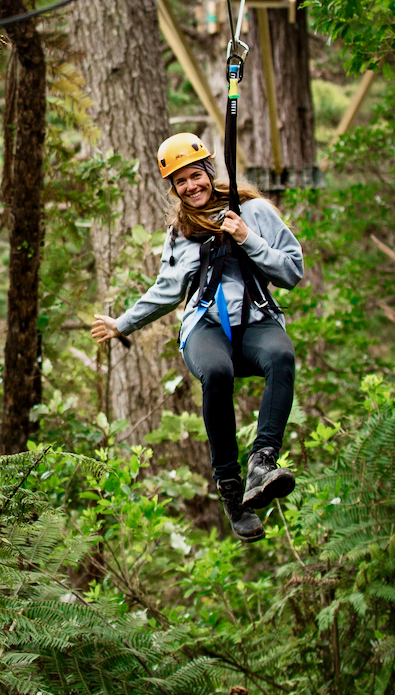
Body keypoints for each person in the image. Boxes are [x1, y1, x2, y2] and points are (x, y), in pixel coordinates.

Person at [89, 133, 303, 542]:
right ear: (174, 189)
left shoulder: (254, 211)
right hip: (205, 326)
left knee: (281, 356)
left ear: (208, 171)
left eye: (195, 176)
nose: (191, 187)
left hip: (256, 318)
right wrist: (123, 324)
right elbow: (167, 291)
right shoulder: (180, 232)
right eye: (180, 183)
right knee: (218, 373)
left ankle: (263, 461)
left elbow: (292, 272)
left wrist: (246, 238)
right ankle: (231, 488)